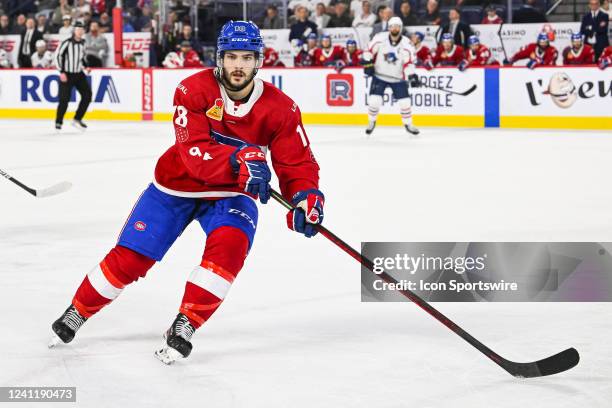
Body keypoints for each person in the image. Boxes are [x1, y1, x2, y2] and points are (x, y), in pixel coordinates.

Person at [49, 20, 323, 365]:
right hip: (175, 186)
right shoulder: (191, 90)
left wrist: (306, 195)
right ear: (220, 58)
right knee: (132, 258)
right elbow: (194, 155)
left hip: (231, 195)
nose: (239, 65)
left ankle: (186, 323)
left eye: (247, 58)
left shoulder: (281, 108)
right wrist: (241, 157)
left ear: (259, 61)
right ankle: (78, 310)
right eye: (232, 57)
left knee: (230, 246)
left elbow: (296, 162)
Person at [362, 16, 420, 136]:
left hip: (397, 77)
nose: (394, 28)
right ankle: (371, 122)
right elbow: (368, 51)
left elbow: (409, 63)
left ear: (401, 28)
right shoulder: (379, 38)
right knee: (374, 101)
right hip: (379, 75)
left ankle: (408, 124)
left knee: (405, 102)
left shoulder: (407, 44)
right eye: (392, 26)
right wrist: (368, 63)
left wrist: (412, 75)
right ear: (389, 28)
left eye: (397, 26)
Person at [54, 21, 92, 131]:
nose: (80, 31)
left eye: (81, 29)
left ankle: (77, 119)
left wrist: (86, 66)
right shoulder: (66, 43)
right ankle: (58, 121)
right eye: (78, 29)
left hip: (79, 74)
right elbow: (58, 57)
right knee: (64, 99)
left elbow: (83, 57)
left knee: (87, 95)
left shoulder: (84, 43)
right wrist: (61, 71)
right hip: (67, 73)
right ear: (74, 31)